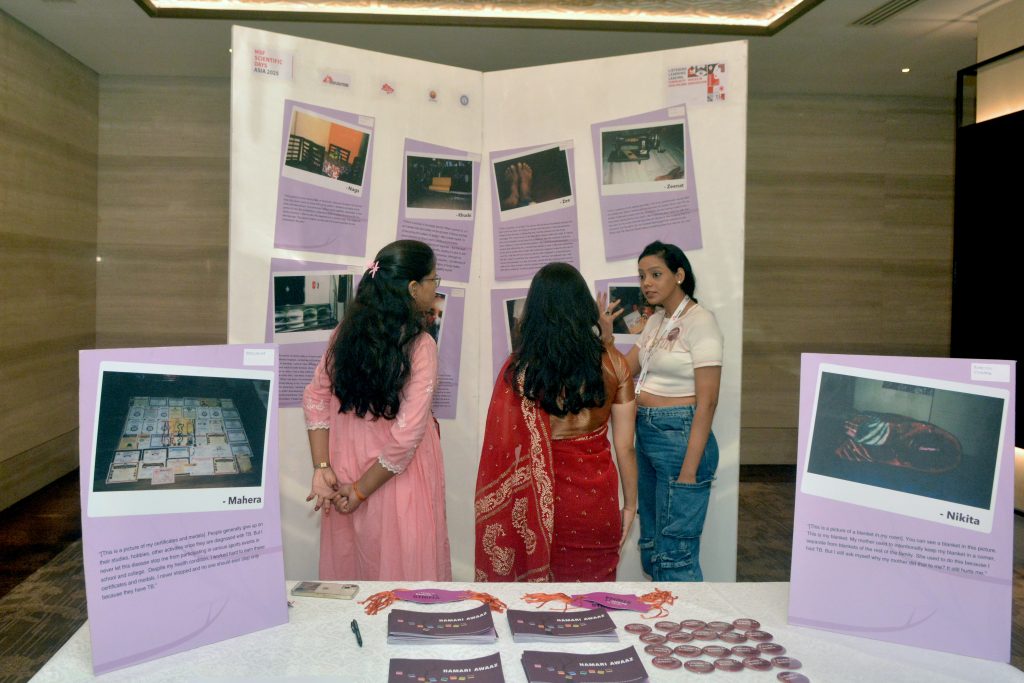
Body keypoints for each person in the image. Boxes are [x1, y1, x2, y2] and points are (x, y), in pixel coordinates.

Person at [475, 262, 637, 582]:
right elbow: (625, 447)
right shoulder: (614, 363)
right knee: (593, 606)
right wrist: (630, 505)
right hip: (598, 504)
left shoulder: (521, 372)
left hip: (542, 511)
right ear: (585, 306)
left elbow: (504, 449)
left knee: (540, 609)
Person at [302, 239, 452, 581]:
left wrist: (323, 467)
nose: (436, 286)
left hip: (347, 470)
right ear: (414, 288)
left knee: (353, 582)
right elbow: (406, 437)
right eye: (434, 279)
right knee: (401, 585)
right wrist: (358, 491)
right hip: (393, 481)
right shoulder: (420, 345)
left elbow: (315, 397)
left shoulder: (345, 333)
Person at [600, 240, 723, 582]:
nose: (647, 283)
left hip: (681, 438)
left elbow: (708, 402)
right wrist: (608, 341)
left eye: (656, 274)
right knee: (654, 550)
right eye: (642, 276)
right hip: (648, 438)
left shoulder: (702, 322)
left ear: (679, 275)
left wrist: (689, 469)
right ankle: (662, 628)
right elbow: (624, 372)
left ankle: (689, 630)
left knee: (676, 557)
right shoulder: (656, 322)